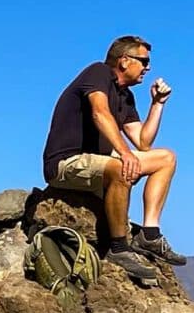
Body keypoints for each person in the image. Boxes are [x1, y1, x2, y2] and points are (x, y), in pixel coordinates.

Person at [41, 34, 184, 286]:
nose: (148, 68)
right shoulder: (98, 73)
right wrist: (124, 153)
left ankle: (149, 234)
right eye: (144, 61)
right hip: (66, 162)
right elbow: (100, 113)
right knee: (120, 168)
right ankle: (118, 248)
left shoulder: (125, 96)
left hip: (98, 160)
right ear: (124, 60)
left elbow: (143, 142)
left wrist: (157, 104)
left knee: (165, 158)